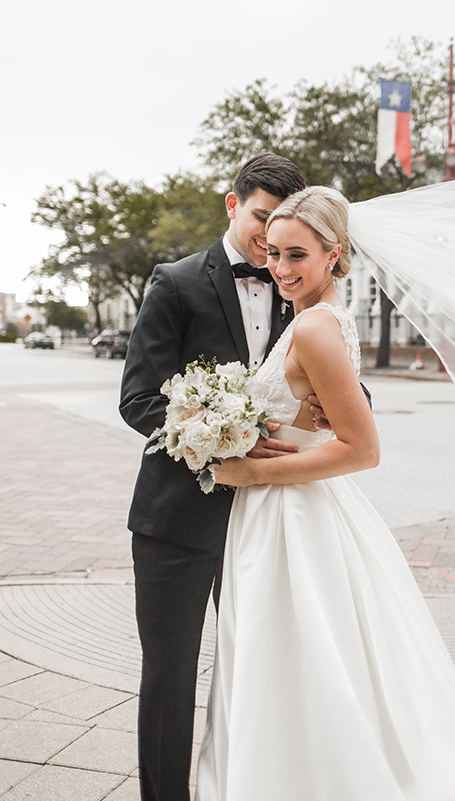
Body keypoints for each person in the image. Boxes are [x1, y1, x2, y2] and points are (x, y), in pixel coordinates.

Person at [193, 186, 455, 801]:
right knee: (300, 656)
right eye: (273, 253)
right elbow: (305, 419)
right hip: (280, 512)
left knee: (300, 656)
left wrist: (249, 471)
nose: (280, 268)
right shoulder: (314, 318)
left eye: (297, 254)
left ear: (334, 253)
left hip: (292, 516)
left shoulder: (317, 329)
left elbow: (363, 449)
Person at [120, 154, 326, 801]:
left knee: (261, 674)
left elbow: (346, 390)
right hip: (177, 520)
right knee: (171, 676)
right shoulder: (176, 283)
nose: (272, 239)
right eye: (263, 218)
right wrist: (223, 439)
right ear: (233, 206)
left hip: (267, 523)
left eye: (285, 225)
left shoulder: (301, 287)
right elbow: (139, 400)